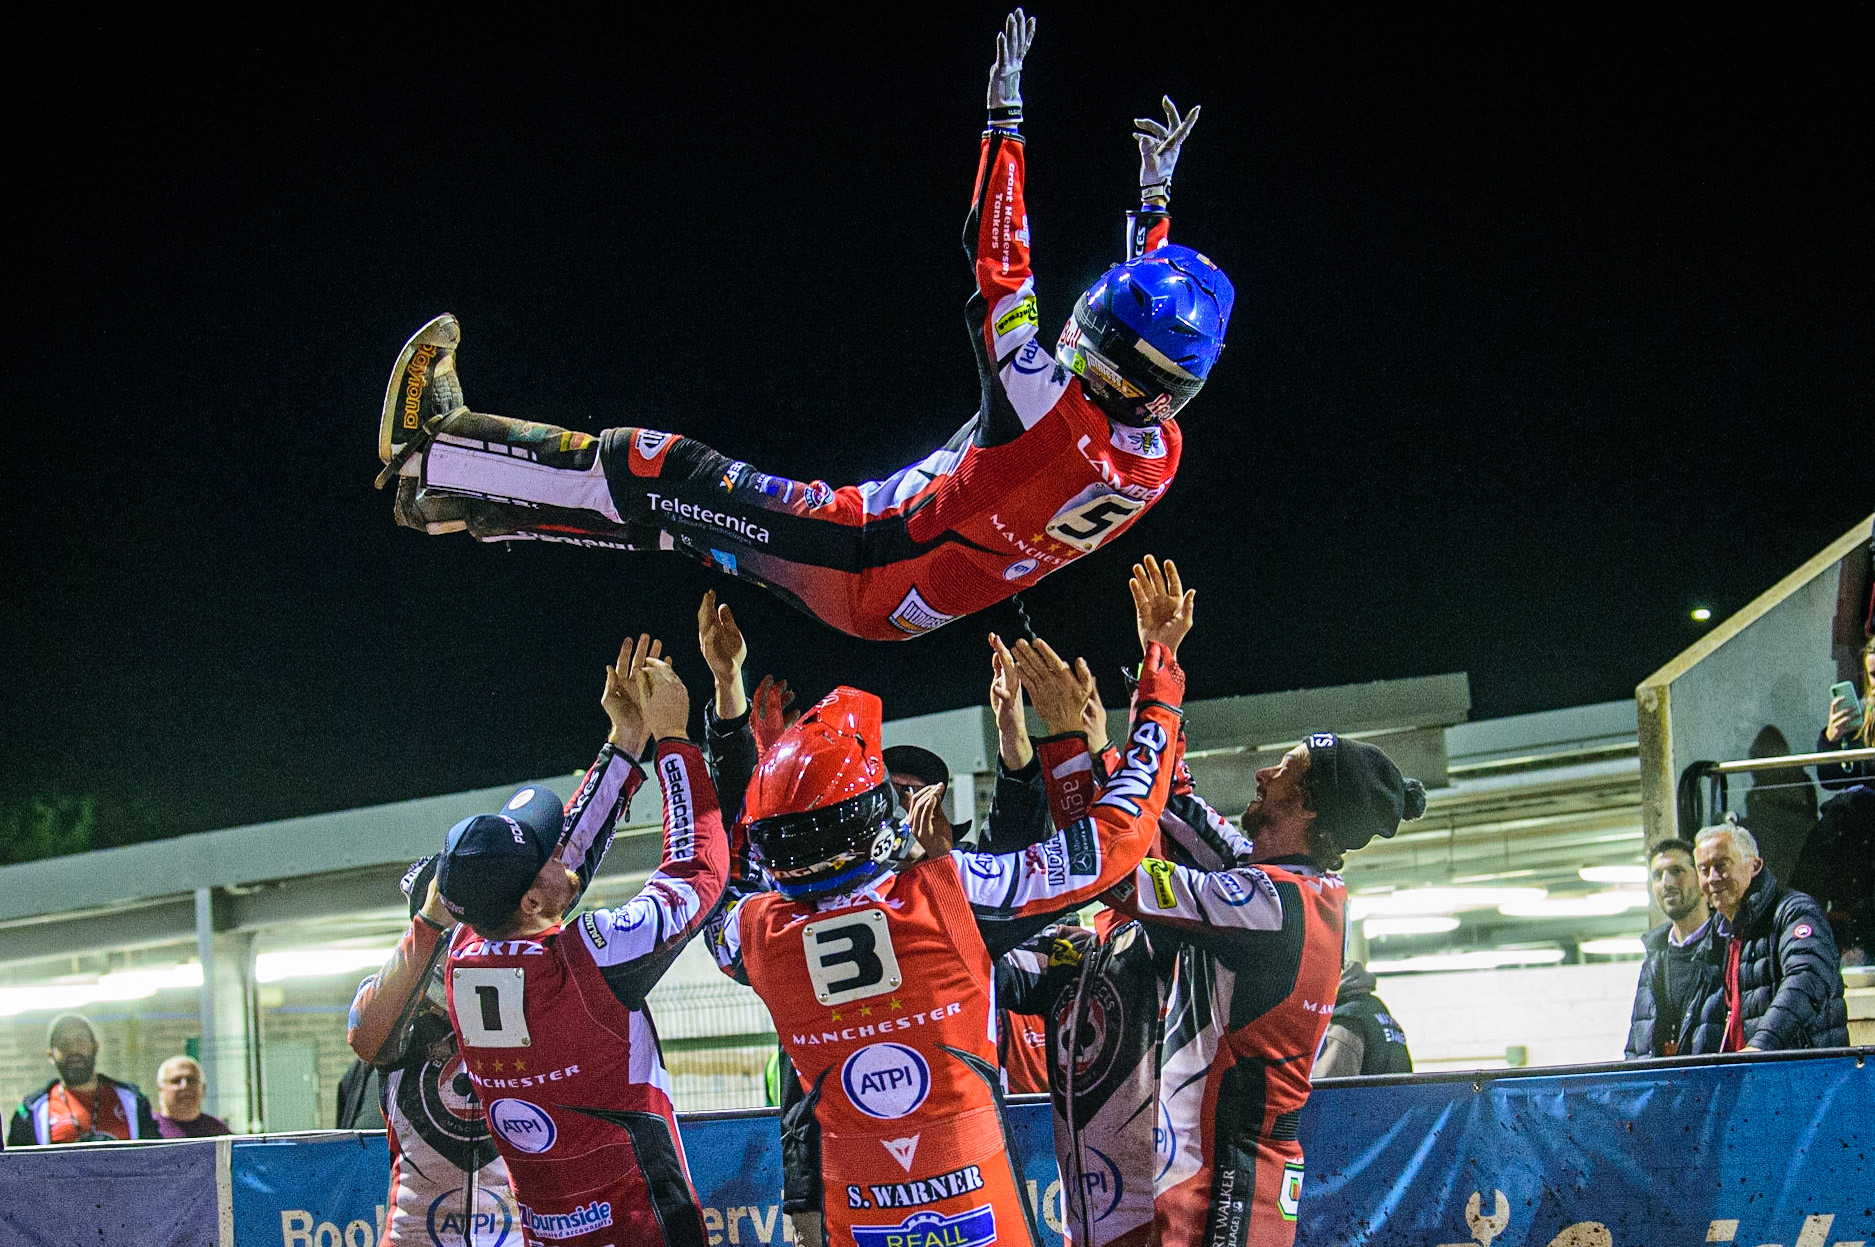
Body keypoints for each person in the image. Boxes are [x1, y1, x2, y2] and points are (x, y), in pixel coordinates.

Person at [374, 11, 1233, 642]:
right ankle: (458, 506)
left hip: (858, 552)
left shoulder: (1041, 404)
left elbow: (997, 260)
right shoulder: (1155, 455)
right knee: (672, 518)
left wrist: (1003, 121)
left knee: (657, 465)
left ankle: (433, 447)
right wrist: (1151, 206)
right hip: (900, 598)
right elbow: (1139, 354)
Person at [707, 556, 1195, 1247]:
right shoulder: (951, 891)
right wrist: (1160, 677)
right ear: (878, 811)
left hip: (855, 1214)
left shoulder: (751, 932)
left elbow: (716, 872)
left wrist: (751, 751)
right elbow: (1119, 832)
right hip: (978, 1211)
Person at [1003, 653, 1426, 1247]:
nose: (1262, 774)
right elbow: (1179, 810)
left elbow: (1115, 875)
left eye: (1284, 769)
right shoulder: (1290, 886)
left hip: (1223, 1194)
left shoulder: (1267, 901)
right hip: (1234, 1180)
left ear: (1308, 808)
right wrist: (1141, 696)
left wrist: (1071, 746)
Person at [431, 632, 729, 1247]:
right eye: (541, 849)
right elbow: (698, 873)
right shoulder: (585, 957)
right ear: (530, 901)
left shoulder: (465, 946)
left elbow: (563, 863)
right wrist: (673, 740)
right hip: (643, 1226)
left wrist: (624, 740)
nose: (558, 841)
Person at [346, 854, 516, 1245]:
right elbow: (365, 1037)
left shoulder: (519, 983)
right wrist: (430, 921)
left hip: (515, 1233)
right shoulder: (390, 998)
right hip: (415, 1234)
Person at [1684, 818, 1848, 1053]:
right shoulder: (1716, 935)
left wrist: (1761, 1047)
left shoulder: (1794, 911)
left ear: (1755, 866)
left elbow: (1807, 977)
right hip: (1740, 1079)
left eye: (1722, 865)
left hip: (1798, 1078)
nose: (1712, 878)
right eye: (1703, 870)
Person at [7, 1014, 161, 1145]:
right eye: (63, 1043)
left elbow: (156, 1162)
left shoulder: (133, 1101)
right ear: (50, 1055)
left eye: (81, 1040)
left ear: (96, 1046)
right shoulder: (30, 1112)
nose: (74, 1049)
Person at [1623, 837, 1712, 1059]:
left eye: (1677, 871)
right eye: (1658, 875)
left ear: (1701, 880)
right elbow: (1637, 1045)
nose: (1667, 882)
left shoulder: (1726, 947)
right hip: (1662, 1090)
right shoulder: (1653, 959)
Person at [1312, 963, 1413, 1078]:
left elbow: (1327, 1086)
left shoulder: (1346, 1022)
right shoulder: (1377, 1011)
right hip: (1395, 1094)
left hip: (1368, 1096)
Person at [153, 1056, 232, 1138]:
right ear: (160, 1089)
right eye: (176, 1081)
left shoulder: (218, 1131)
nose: (184, 1086)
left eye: (191, 1080)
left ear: (203, 1088)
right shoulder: (147, 1129)